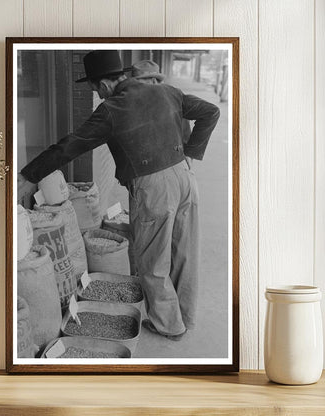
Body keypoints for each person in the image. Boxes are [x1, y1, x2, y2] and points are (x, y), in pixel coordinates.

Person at [18, 50, 220, 341]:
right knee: (185, 252)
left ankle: (168, 324)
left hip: (153, 188)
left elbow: (71, 145)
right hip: (185, 179)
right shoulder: (166, 91)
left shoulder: (113, 109)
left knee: (152, 261)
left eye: (95, 89)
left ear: (103, 85)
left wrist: (30, 174)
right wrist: (190, 152)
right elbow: (210, 112)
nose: (98, 95)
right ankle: (184, 317)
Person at [131, 60, 193, 169]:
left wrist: (188, 157)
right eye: (134, 83)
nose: (137, 87)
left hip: (173, 164)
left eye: (140, 83)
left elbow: (186, 133)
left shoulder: (174, 98)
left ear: (154, 81)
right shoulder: (136, 101)